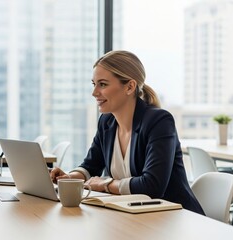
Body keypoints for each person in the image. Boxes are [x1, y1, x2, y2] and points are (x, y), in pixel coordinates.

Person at [50, 50, 204, 215]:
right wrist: (70, 178)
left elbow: (152, 186)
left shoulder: (159, 121)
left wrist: (105, 184)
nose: (94, 93)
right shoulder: (106, 122)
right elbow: (90, 166)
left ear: (130, 86)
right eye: (94, 84)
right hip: (135, 217)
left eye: (102, 84)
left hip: (176, 219)